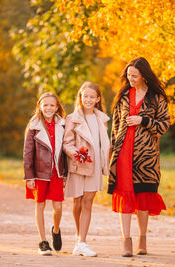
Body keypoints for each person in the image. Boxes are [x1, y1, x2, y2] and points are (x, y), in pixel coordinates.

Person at [108, 57, 170, 257]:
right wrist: (112, 148)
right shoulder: (123, 96)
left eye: (134, 75)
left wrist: (143, 120)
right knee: (125, 196)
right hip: (123, 152)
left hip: (146, 158)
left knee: (143, 197)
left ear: (144, 75)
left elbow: (163, 126)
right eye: (128, 76)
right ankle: (126, 240)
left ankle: (142, 239)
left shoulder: (157, 98)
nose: (131, 79)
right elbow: (116, 125)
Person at [63, 81, 110, 257]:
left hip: (95, 165)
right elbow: (67, 143)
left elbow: (103, 145)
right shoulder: (72, 118)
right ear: (80, 97)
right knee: (77, 202)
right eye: (85, 96)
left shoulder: (102, 119)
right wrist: (76, 153)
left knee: (88, 202)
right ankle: (79, 238)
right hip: (78, 165)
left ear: (98, 98)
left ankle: (82, 241)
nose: (88, 99)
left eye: (92, 97)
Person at [23, 92, 67, 256]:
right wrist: (29, 176)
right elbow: (27, 152)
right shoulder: (34, 126)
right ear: (40, 106)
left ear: (57, 107)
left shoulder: (63, 124)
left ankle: (55, 230)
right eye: (45, 105)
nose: (48, 108)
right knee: (40, 205)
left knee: (58, 207)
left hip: (57, 172)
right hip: (39, 173)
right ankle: (43, 242)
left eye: (52, 105)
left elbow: (65, 151)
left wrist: (65, 173)